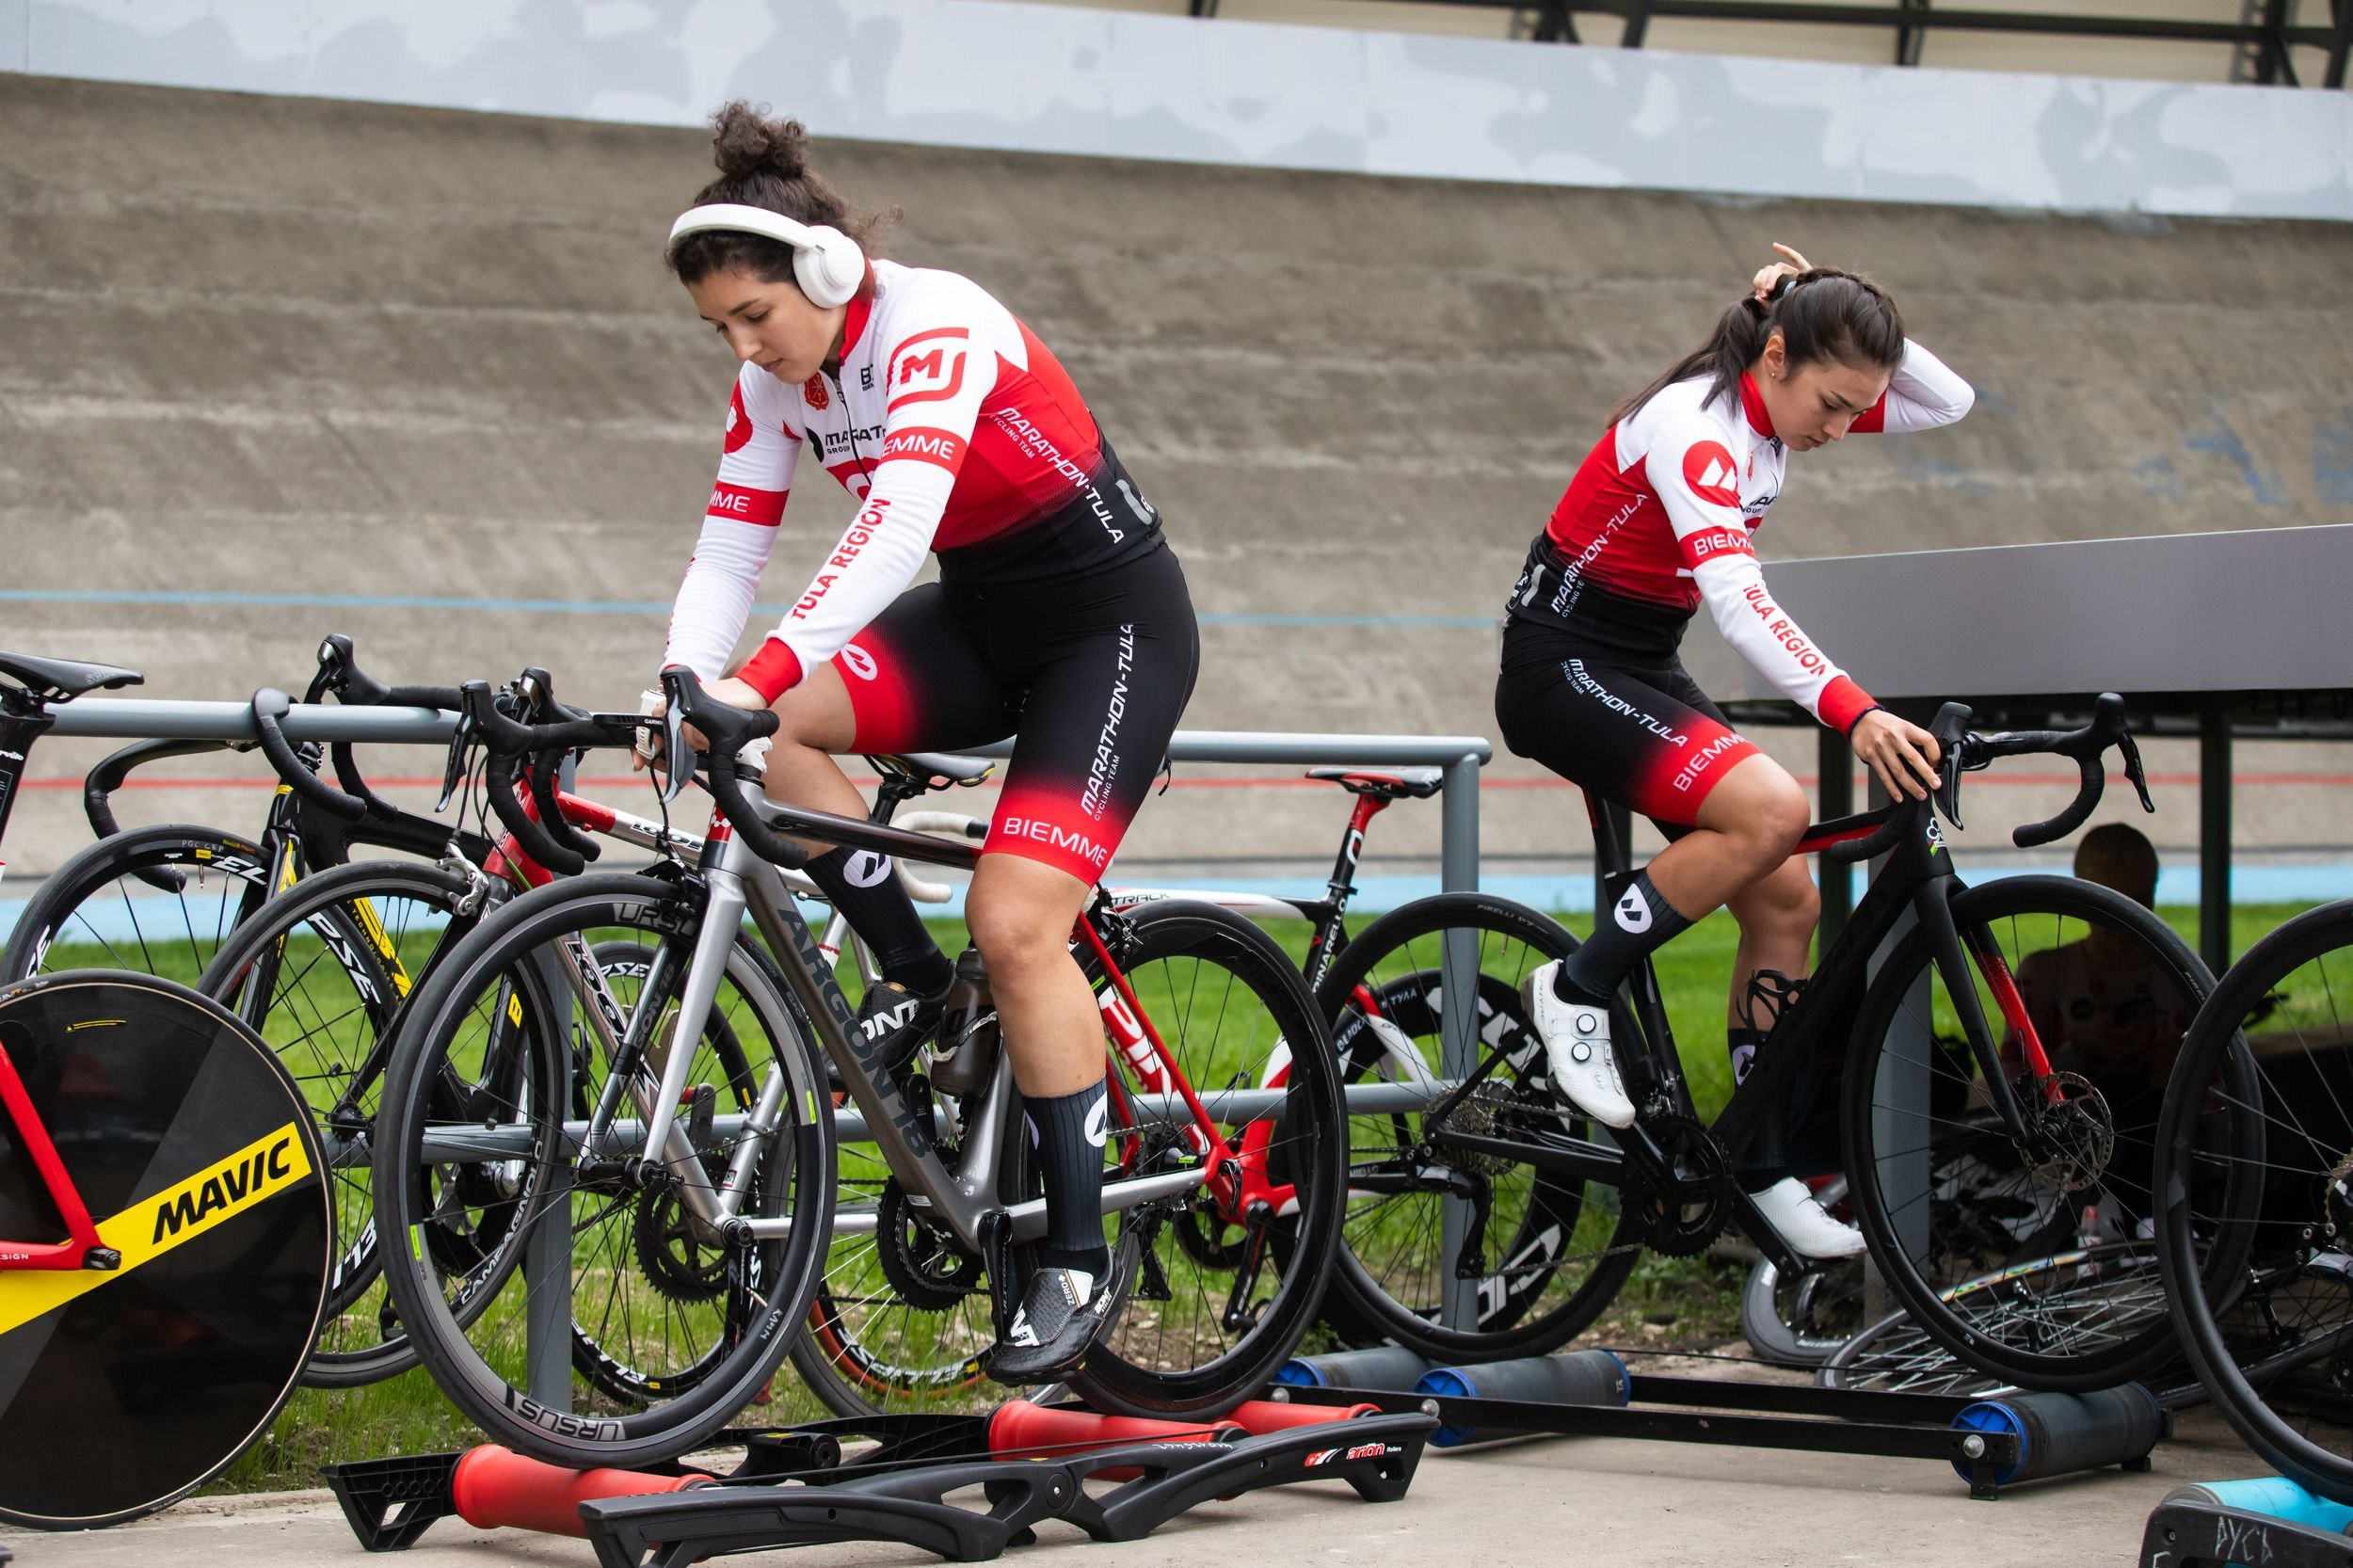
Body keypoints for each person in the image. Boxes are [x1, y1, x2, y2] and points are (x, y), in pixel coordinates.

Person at [649, 104, 1199, 1380]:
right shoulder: (772, 379)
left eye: (756, 318)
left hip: (1108, 627)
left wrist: (758, 668)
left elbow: (896, 528)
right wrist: (685, 678)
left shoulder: (934, 322)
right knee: (764, 734)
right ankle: (914, 974)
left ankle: (1075, 1251)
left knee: (1019, 925)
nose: (744, 349)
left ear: (827, 273)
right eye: (721, 329)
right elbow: (730, 541)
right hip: (983, 619)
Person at [1496, 245, 1974, 1258]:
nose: (1840, 431)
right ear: (1774, 359)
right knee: (1772, 811)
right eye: (1833, 405)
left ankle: (1754, 1167)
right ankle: (1576, 987)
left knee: (1786, 896)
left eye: (1855, 410)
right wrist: (1856, 710)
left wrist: (1832, 289)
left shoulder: (1787, 397)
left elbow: (1948, 400)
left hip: (1636, 658)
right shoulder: (1698, 428)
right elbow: (1740, 607)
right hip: (1562, 663)